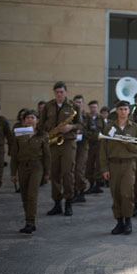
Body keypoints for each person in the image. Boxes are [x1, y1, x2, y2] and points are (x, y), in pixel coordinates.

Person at [100, 100, 137, 235]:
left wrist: (127, 143)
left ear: (129, 111)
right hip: (113, 165)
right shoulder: (109, 128)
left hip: (128, 164)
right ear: (116, 111)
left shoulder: (135, 128)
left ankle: (128, 221)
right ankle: (119, 222)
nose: (123, 112)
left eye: (125, 109)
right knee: (116, 194)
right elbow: (103, 150)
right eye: (120, 109)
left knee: (127, 193)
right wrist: (105, 168)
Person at [40, 81, 81, 217]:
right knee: (54, 173)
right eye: (57, 92)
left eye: (61, 92)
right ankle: (57, 203)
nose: (59, 94)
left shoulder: (73, 106)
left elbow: (80, 123)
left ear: (66, 92)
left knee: (67, 173)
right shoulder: (48, 106)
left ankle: (68, 203)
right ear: (54, 93)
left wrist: (70, 127)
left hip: (68, 143)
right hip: (52, 143)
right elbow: (41, 123)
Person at [10, 110, 50, 234]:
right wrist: (13, 173)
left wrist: (47, 172)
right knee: (24, 195)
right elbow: (14, 155)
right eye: (27, 117)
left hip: (36, 167)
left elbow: (47, 155)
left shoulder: (42, 135)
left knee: (32, 195)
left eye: (32, 117)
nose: (30, 120)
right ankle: (29, 220)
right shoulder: (19, 134)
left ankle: (30, 222)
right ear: (24, 120)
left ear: (37, 120)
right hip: (22, 166)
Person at [85, 100, 106, 194]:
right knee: (89, 164)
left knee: (98, 164)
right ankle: (91, 184)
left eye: (95, 107)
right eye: (91, 107)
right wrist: (90, 135)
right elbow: (83, 129)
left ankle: (98, 185)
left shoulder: (101, 118)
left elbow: (105, 130)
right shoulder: (86, 118)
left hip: (99, 144)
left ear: (97, 108)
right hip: (89, 144)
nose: (93, 109)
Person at [71, 94, 89, 205]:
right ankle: (74, 191)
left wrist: (81, 132)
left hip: (83, 145)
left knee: (79, 169)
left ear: (83, 104)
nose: (78, 104)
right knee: (71, 170)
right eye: (76, 102)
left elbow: (94, 133)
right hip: (72, 145)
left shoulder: (87, 117)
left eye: (79, 102)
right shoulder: (70, 116)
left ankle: (81, 191)